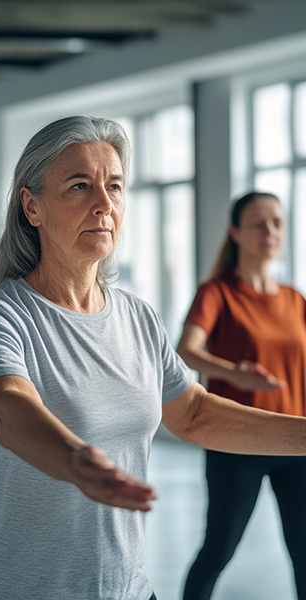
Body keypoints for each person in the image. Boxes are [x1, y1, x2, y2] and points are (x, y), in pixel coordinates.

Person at [0, 117, 306, 600]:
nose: (104, 204)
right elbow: (9, 410)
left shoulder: (137, 317)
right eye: (80, 186)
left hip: (129, 590)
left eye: (115, 186)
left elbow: (195, 413)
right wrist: (74, 460)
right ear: (31, 206)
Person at [179, 191, 306, 600]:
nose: (269, 231)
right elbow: (186, 350)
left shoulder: (294, 299)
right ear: (235, 231)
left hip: (296, 442)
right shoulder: (217, 292)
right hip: (237, 441)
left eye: (276, 222)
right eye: (257, 222)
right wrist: (235, 374)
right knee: (218, 550)